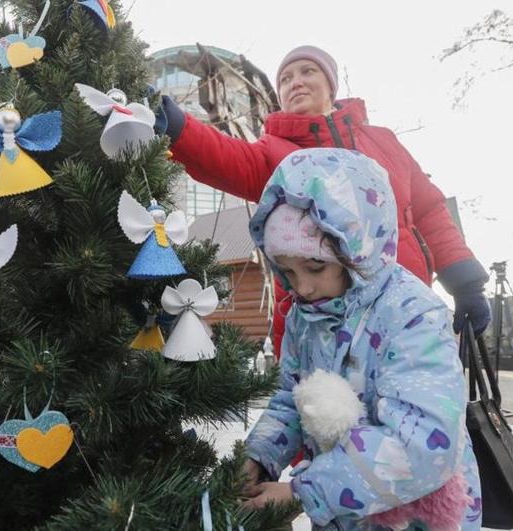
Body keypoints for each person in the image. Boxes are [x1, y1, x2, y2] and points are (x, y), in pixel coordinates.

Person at [161, 45, 491, 357]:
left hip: (402, 308)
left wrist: (465, 283)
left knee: (413, 401)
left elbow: (428, 210)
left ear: (330, 86)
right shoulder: (274, 153)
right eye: (286, 79)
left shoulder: (384, 141)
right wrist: (177, 126)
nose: (296, 82)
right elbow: (225, 157)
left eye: (308, 71)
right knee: (325, 411)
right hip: (317, 322)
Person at [240, 148, 481, 529]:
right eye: (287, 270)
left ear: (358, 250)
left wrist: (307, 492)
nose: (301, 286)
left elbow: (424, 442)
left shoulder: (412, 314)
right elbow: (291, 397)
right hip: (346, 514)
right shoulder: (306, 315)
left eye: (315, 266)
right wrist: (258, 456)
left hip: (417, 517)